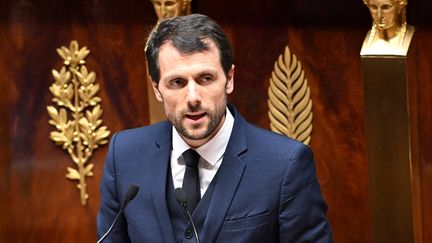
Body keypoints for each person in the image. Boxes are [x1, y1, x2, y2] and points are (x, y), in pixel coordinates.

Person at [97, 14, 332, 242]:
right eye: (177, 82)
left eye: (205, 78)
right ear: (157, 88)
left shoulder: (285, 164)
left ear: (229, 79)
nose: (193, 97)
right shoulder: (125, 155)